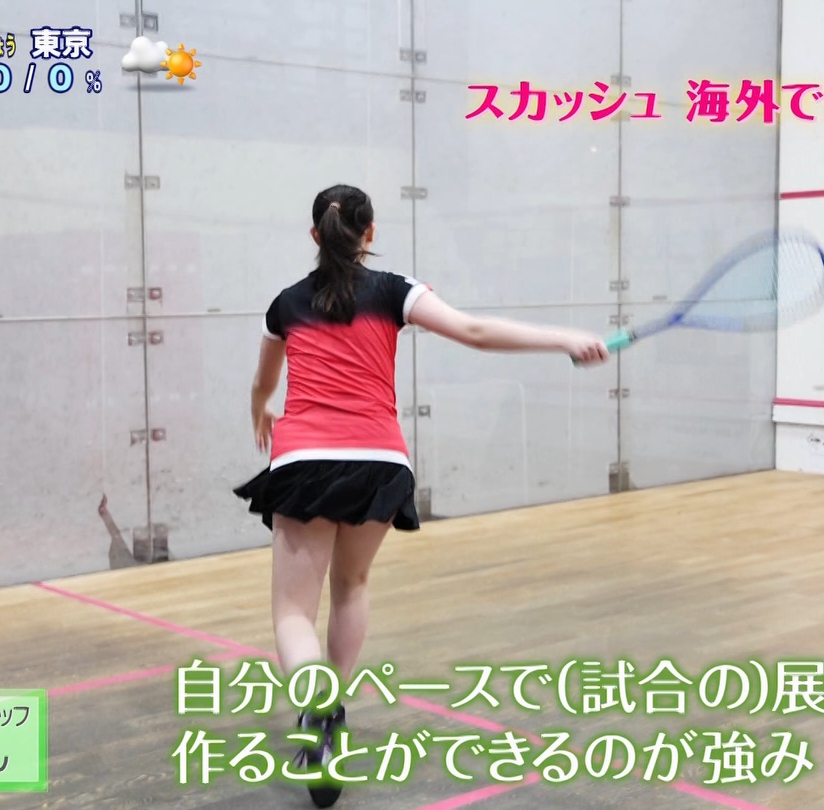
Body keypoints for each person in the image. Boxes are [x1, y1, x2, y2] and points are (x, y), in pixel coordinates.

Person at [234, 184, 608, 806]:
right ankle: (334, 711)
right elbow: (475, 331)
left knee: (293, 613)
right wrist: (564, 338)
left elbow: (263, 381)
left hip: (304, 461)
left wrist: (260, 409)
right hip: (379, 461)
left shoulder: (286, 304)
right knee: (352, 586)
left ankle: (316, 712)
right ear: (370, 233)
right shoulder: (394, 291)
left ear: (314, 236)